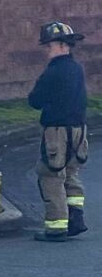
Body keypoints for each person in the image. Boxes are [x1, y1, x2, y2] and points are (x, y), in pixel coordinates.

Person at [29, 20, 88, 242]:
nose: (47, 50)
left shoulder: (52, 72)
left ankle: (56, 226)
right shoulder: (77, 69)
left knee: (51, 174)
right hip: (78, 130)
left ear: (63, 45)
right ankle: (76, 219)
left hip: (56, 132)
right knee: (71, 173)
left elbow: (35, 100)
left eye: (50, 45)